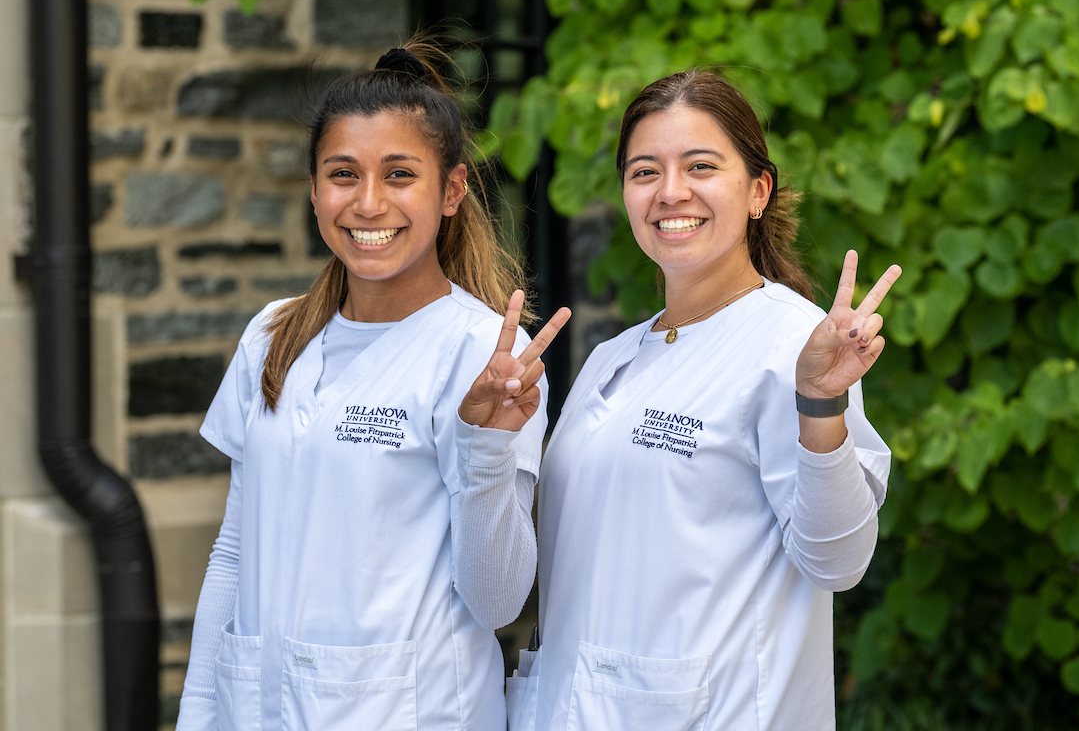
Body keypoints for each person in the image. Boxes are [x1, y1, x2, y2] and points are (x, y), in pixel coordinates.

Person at [176, 43, 570, 731]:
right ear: (313, 189)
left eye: (398, 175)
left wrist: (484, 450)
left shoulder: (482, 357)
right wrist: (198, 716)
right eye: (342, 174)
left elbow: (499, 601)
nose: (367, 202)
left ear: (450, 192)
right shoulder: (274, 337)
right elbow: (235, 550)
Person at [506, 70, 901, 731]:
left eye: (700, 166)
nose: (671, 192)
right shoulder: (614, 357)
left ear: (757, 191)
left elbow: (837, 559)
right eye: (644, 171)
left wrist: (820, 409)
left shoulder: (796, 345)